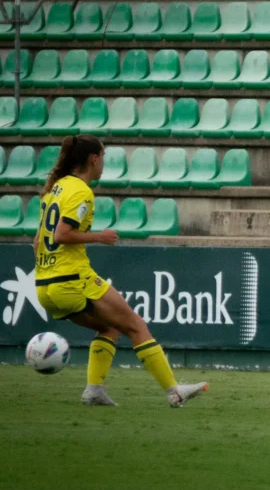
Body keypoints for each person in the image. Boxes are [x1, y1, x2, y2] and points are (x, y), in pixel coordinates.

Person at [34, 135, 208, 408]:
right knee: (136, 326)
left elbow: (38, 241)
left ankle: (94, 390)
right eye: (103, 157)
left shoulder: (56, 189)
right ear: (93, 159)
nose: (103, 163)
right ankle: (174, 391)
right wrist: (98, 236)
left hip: (46, 285)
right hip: (72, 279)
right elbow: (62, 234)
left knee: (110, 328)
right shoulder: (80, 191)